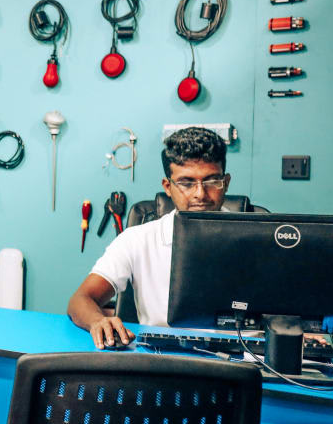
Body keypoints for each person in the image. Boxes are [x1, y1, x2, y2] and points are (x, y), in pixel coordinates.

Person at [67, 127, 231, 348]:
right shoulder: (137, 240)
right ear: (168, 187)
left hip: (242, 358)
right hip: (162, 355)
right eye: (186, 183)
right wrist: (98, 321)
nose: (200, 194)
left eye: (211, 181)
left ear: (225, 183)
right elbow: (80, 300)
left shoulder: (260, 239)